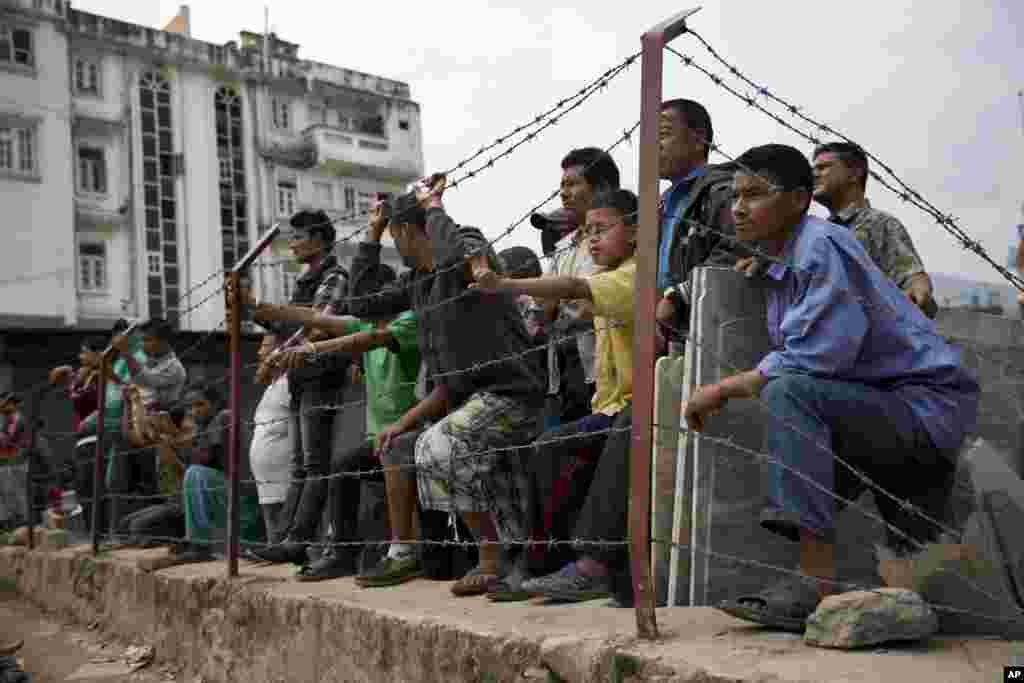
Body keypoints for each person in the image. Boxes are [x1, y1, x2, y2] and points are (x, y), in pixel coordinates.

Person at [682, 143, 978, 631]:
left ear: (799, 200)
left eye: (754, 194)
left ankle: (812, 584)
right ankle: (816, 581)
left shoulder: (820, 245)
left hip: (923, 408)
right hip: (889, 404)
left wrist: (721, 388)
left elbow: (816, 356)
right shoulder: (786, 258)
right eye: (735, 195)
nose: (737, 208)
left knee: (789, 393)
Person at [344, 177, 546, 595]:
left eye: (391, 234)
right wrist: (370, 235)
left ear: (403, 231)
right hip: (469, 401)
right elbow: (361, 305)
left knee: (439, 446)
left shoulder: (466, 240)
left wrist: (433, 205)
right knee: (406, 445)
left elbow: (453, 257)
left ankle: (492, 557)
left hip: (513, 394)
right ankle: (427, 554)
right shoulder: (417, 282)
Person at [469, 189, 639, 601]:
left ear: (635, 232)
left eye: (602, 230)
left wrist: (504, 283)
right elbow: (569, 299)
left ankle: (573, 565)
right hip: (610, 404)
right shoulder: (609, 275)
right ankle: (544, 563)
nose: (593, 240)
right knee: (550, 449)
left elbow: (573, 286)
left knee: (557, 446)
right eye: (588, 233)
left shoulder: (635, 273)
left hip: (635, 406)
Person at [266, 263, 421, 580]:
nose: (361, 305)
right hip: (380, 440)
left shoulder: (407, 323)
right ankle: (342, 553)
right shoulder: (366, 324)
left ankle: (406, 553)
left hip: (412, 432)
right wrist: (258, 306)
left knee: (335, 465)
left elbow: (365, 340)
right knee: (343, 467)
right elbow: (316, 318)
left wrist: (311, 347)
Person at [235, 209, 352, 563]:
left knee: (315, 464)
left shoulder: (333, 276)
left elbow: (317, 324)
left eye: (299, 237)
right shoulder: (306, 281)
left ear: (319, 239)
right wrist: (253, 311)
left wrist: (275, 350)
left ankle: (296, 540)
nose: (293, 243)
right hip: (302, 377)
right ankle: (288, 540)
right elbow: (290, 327)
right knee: (302, 466)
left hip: (321, 375)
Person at [528, 148, 620, 431]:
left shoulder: (619, 240)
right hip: (564, 371)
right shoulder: (563, 247)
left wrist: (559, 303)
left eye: (573, 184)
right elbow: (543, 308)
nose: (564, 193)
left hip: (603, 366)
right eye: (561, 186)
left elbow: (592, 305)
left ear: (602, 187)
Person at [653, 98, 740, 353]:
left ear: (698, 139)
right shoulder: (660, 204)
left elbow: (736, 247)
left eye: (663, 134)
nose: (653, 145)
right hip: (673, 331)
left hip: (715, 329)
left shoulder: (721, 191)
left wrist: (679, 295)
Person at [811, 141, 936, 317]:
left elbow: (912, 277)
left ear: (854, 173)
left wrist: (917, 291)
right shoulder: (818, 232)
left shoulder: (878, 223)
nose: (814, 175)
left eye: (823, 168)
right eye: (813, 169)